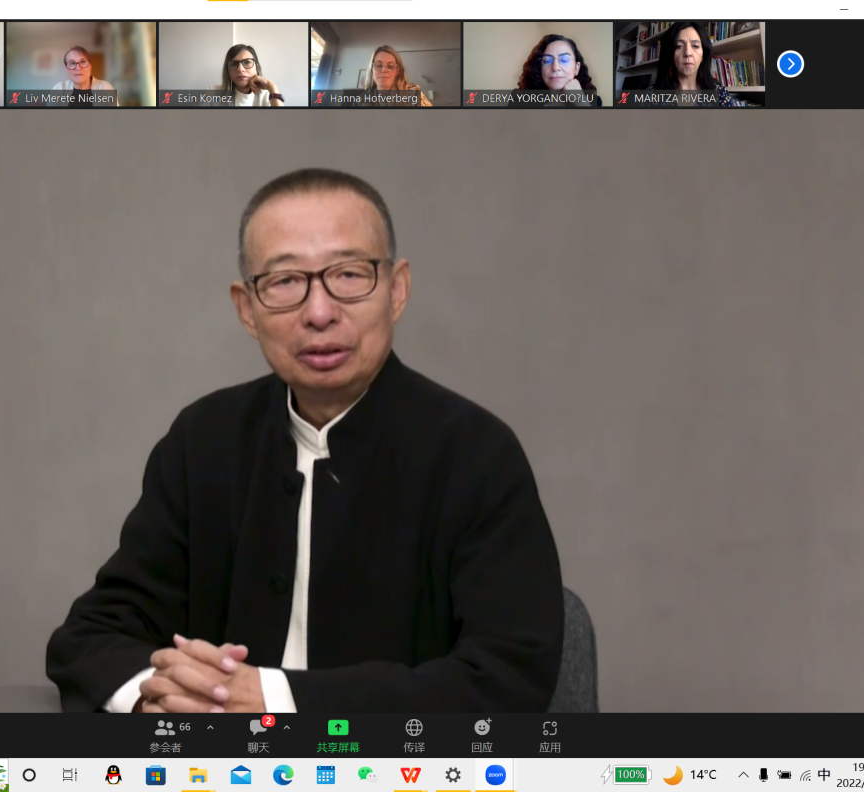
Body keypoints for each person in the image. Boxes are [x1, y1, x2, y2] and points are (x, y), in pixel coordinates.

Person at [45, 168, 564, 713]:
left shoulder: (476, 454)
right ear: (246, 308)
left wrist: (272, 700)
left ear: (398, 290)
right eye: (285, 282)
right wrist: (160, 698)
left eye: (349, 274)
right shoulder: (203, 442)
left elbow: (507, 677)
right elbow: (93, 633)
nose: (319, 313)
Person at [651, 22, 736, 107]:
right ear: (669, 54)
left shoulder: (720, 94)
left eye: (695, 46)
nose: (688, 53)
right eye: (678, 46)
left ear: (703, 55)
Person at [516, 34, 602, 106]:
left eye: (564, 60)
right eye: (547, 60)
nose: (555, 67)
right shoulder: (519, 99)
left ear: (576, 68)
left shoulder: (594, 102)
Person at [213, 44, 284, 107]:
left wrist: (271, 86)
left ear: (257, 68)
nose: (240, 69)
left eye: (247, 62)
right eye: (234, 64)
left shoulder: (267, 95)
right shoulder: (213, 93)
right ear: (228, 70)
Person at [365, 45, 433, 107]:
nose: (384, 70)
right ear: (372, 69)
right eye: (379, 65)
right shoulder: (363, 99)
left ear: (396, 71)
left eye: (390, 66)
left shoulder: (413, 92)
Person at [51, 46, 118, 105]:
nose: (78, 68)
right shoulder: (59, 89)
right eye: (72, 63)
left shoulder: (105, 88)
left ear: (90, 66)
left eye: (83, 62)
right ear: (66, 68)